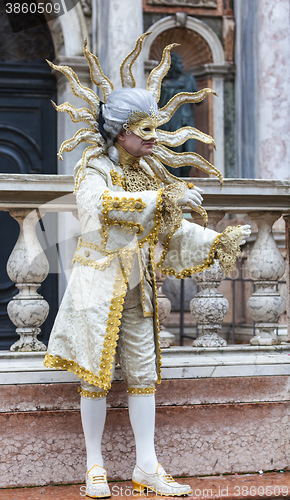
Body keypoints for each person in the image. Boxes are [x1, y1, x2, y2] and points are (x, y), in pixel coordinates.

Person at [44, 34, 251, 498]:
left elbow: (166, 231)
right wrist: (162, 198)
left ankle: (146, 466)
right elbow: (96, 209)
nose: (154, 138)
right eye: (145, 130)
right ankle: (94, 467)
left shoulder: (148, 174)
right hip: (97, 285)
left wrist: (215, 241)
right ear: (120, 132)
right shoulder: (93, 168)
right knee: (94, 377)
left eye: (155, 129)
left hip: (138, 286)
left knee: (143, 376)